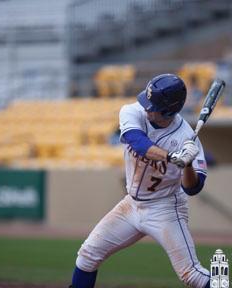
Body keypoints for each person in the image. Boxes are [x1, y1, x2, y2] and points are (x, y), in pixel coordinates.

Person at [70, 74, 211, 288]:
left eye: (152, 106)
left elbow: (193, 188)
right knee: (87, 256)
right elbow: (138, 143)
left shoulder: (187, 138)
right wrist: (172, 157)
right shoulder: (131, 111)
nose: (146, 108)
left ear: (168, 111)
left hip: (165, 208)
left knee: (192, 275)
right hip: (131, 204)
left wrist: (188, 164)